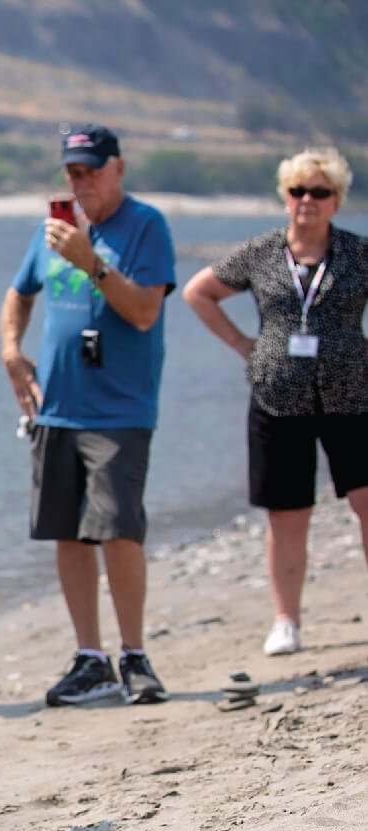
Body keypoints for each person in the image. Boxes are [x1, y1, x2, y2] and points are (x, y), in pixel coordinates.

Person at [0, 124, 176, 707]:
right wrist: (10, 349)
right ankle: (90, 657)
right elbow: (19, 292)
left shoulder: (147, 226)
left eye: (91, 170)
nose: (81, 181)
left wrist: (90, 261)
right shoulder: (51, 229)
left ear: (117, 168)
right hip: (58, 408)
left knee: (118, 529)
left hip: (120, 408)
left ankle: (134, 655)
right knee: (68, 534)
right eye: (72, 171)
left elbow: (145, 311)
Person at [182, 146, 368, 656]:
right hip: (277, 394)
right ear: (285, 197)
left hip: (351, 393)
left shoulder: (358, 254)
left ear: (336, 200)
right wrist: (244, 345)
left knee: (367, 502)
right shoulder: (261, 252)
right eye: (298, 191)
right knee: (287, 513)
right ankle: (286, 620)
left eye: (320, 192)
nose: (307, 201)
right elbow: (198, 292)